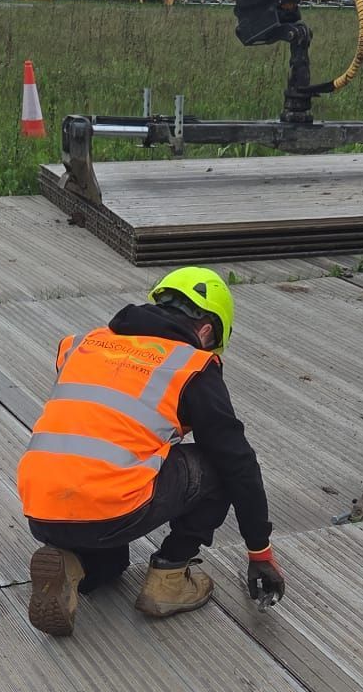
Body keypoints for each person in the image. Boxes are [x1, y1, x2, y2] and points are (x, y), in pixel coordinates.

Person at [17, 265, 285, 637]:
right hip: (110, 507)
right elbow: (239, 464)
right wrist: (260, 552)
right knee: (216, 463)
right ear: (206, 330)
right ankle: (169, 578)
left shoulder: (83, 343)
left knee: (111, 566)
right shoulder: (190, 365)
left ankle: (71, 560)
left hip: (41, 507)